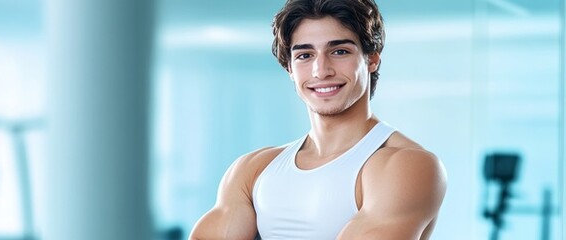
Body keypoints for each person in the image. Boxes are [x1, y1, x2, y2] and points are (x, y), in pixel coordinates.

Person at [188, 0, 447, 239]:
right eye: (305, 55)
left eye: (340, 51)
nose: (321, 70)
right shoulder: (253, 169)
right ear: (290, 68)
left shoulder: (405, 165)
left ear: (372, 59)